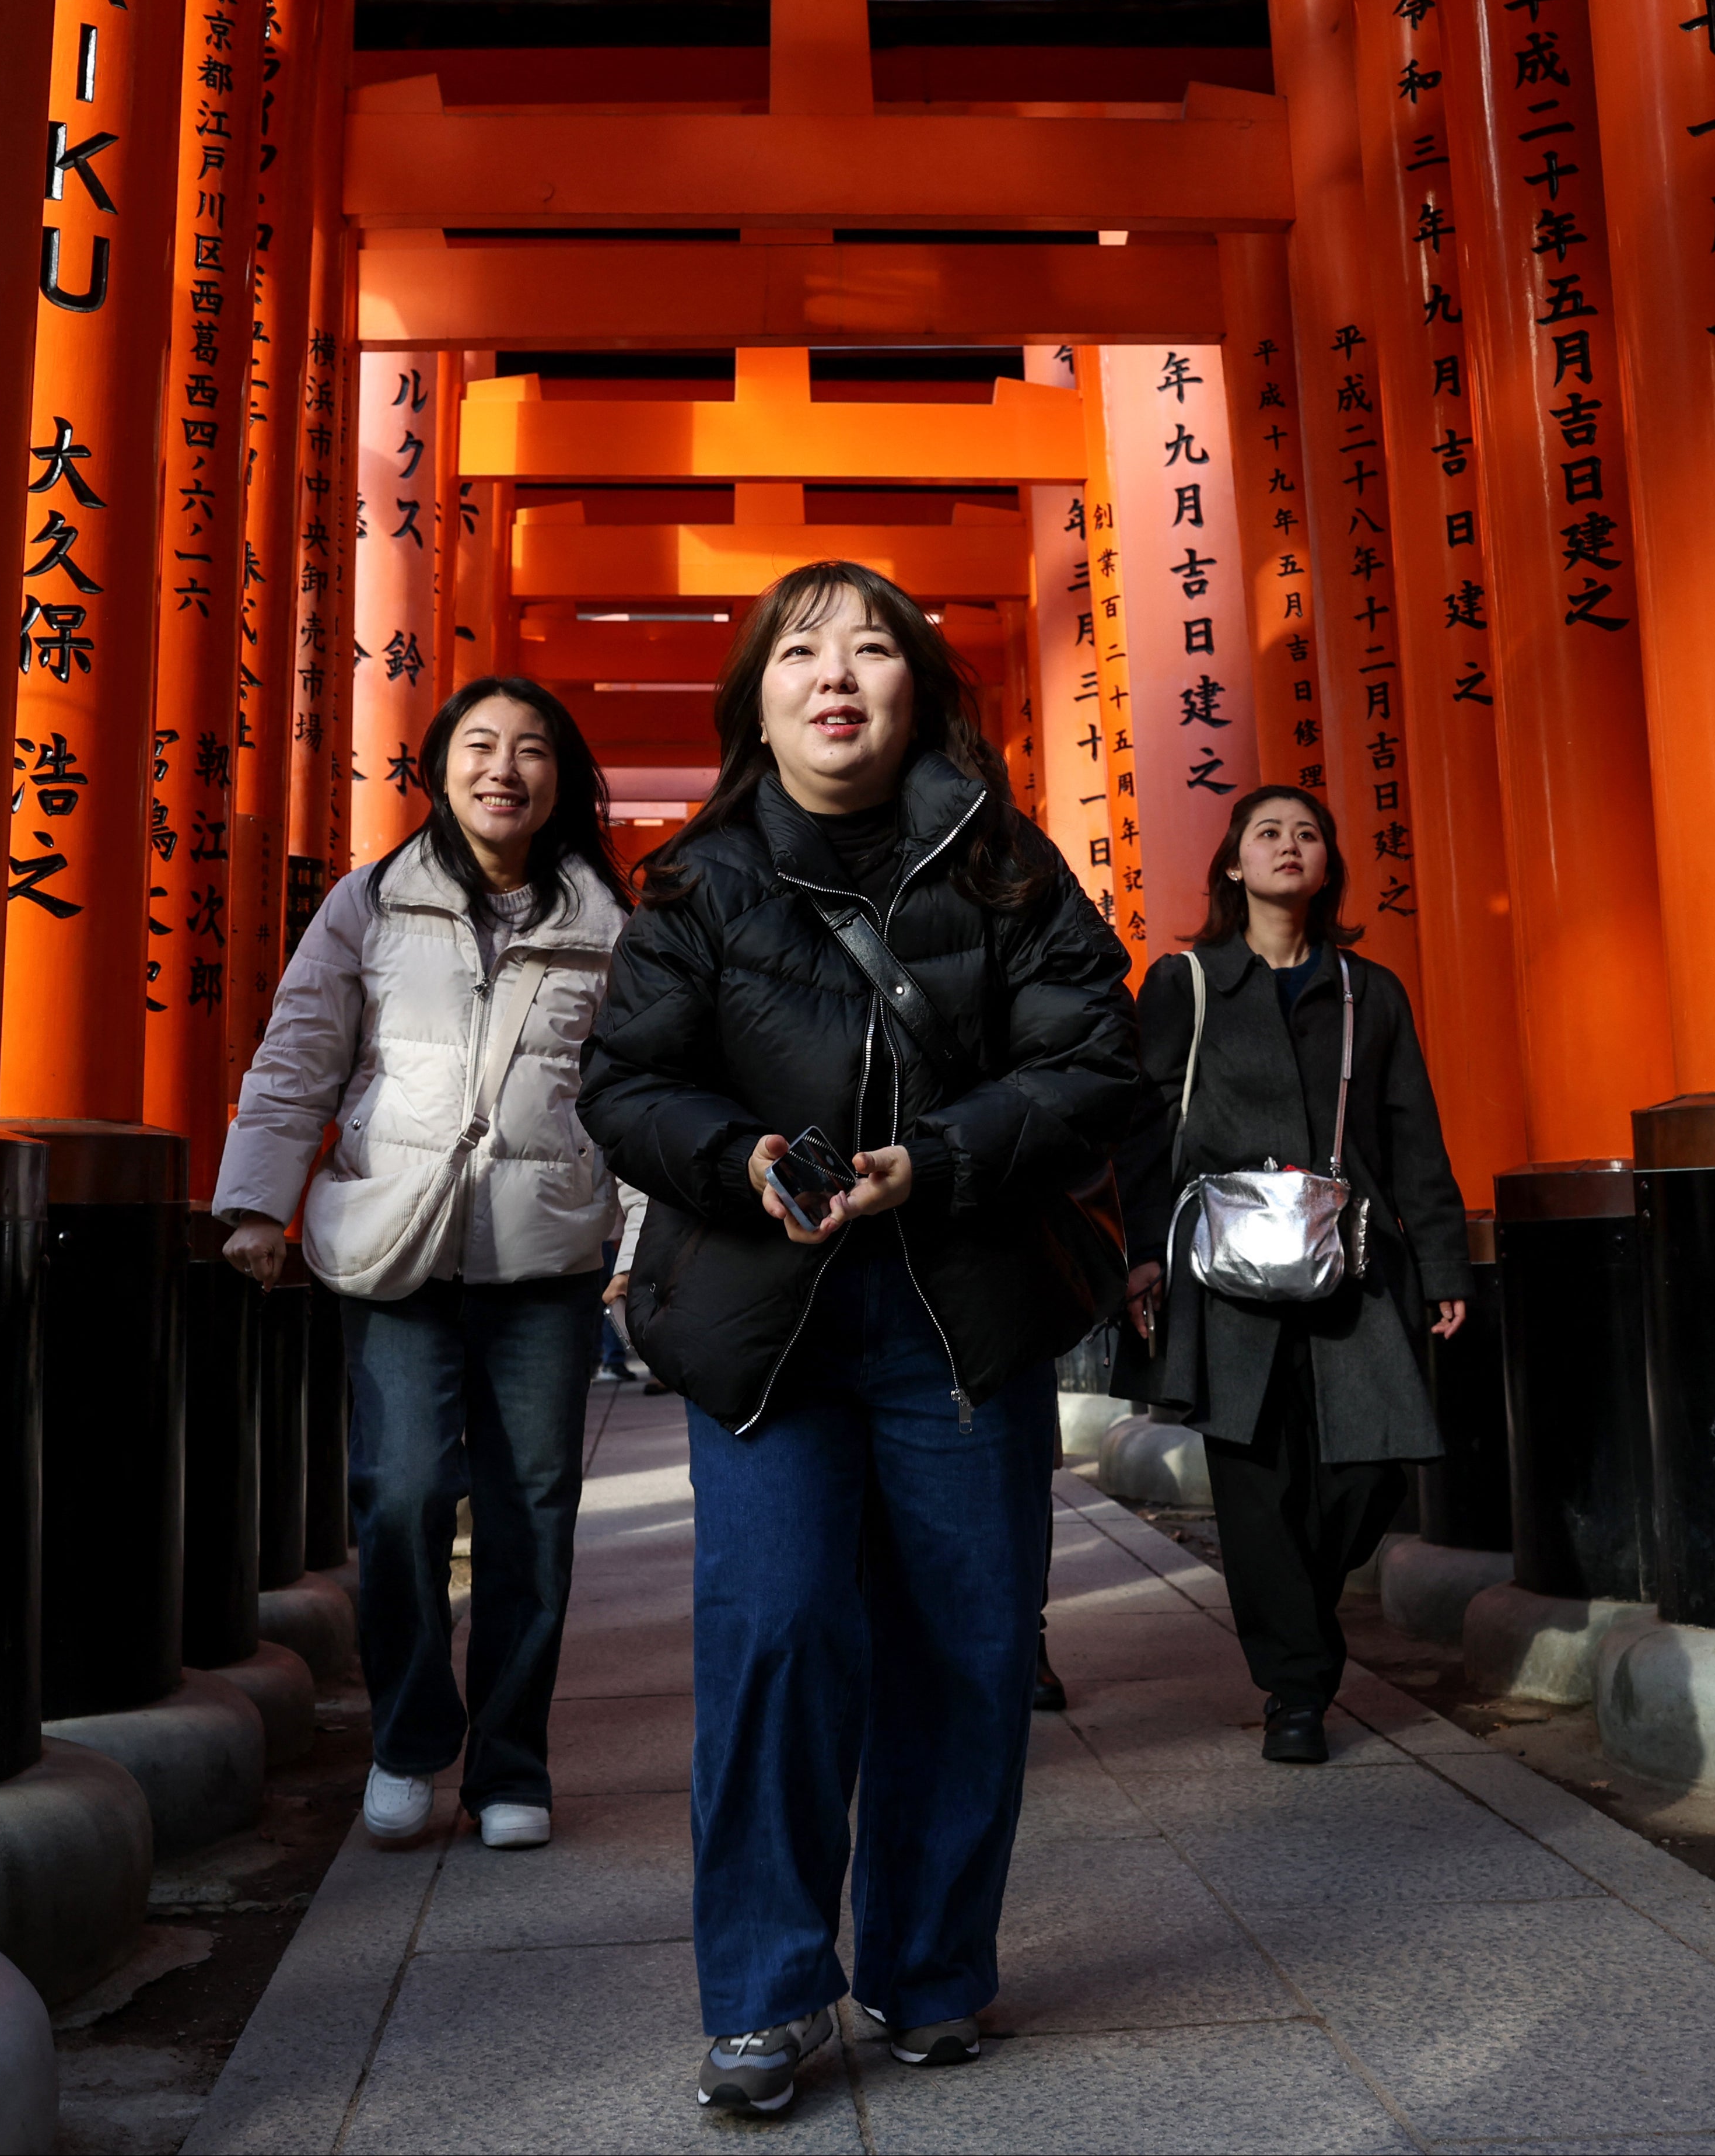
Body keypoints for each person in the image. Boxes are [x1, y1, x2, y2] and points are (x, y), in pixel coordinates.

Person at [580, 561, 1140, 2118]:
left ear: (921, 692)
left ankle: (930, 1968)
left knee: (965, 1647)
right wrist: (740, 1156)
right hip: (770, 1325)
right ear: (756, 700)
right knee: (774, 1636)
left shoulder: (1007, 867)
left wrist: (942, 1157)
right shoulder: (693, 884)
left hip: (958, 1313)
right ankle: (762, 1993)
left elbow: (1099, 1057)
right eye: (802, 651)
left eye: (874, 648)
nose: (838, 674)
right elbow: (625, 1085)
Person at [214, 678, 632, 1854]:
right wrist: (256, 1200)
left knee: (530, 1513)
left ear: (563, 779)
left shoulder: (607, 920)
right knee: (399, 1497)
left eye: (532, 750)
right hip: (392, 1244)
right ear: (440, 768)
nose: (505, 768)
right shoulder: (371, 903)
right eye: (480, 746)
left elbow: (639, 1085)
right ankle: (407, 1736)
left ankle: (510, 1762)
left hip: (542, 1254)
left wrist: (638, 1241)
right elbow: (302, 1046)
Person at [1116, 785, 1471, 1765]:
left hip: (1350, 1260)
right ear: (1234, 864)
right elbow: (1143, 1133)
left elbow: (1412, 1133)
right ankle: (1297, 1692)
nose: (1288, 844)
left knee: (1369, 1476)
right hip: (1227, 1274)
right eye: (1266, 832)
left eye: (1307, 832)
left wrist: (1442, 1259)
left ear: (1326, 867)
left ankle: (1296, 1617)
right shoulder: (1185, 983)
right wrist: (1143, 1253)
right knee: (1256, 1483)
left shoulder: (1369, 990)